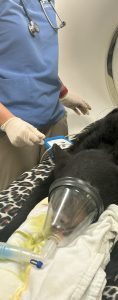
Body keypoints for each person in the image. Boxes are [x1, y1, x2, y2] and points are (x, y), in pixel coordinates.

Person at [0, 0, 91, 191]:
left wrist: (62, 92)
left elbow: (33, 57)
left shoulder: (46, 1)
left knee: (53, 195)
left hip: (54, 120)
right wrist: (7, 121)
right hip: (13, 132)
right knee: (13, 209)